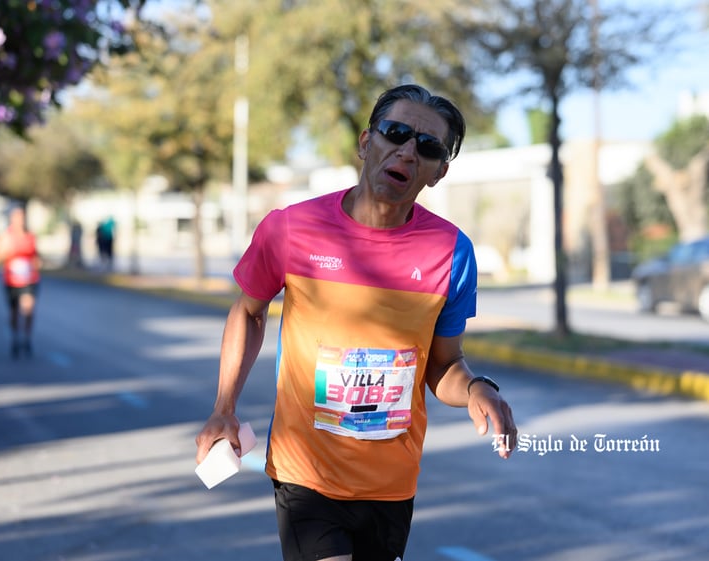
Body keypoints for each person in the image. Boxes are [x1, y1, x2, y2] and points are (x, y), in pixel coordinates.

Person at [194, 84, 517, 561]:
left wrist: (475, 389)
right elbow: (248, 310)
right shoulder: (291, 228)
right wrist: (225, 405)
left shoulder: (452, 253)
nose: (408, 151)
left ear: (438, 171)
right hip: (306, 472)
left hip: (391, 484)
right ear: (367, 143)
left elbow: (444, 364)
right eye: (396, 133)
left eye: (427, 146)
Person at [0, 206, 42, 358]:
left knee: (28, 308)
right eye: (17, 218)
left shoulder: (30, 236)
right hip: (11, 280)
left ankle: (27, 338)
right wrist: (3, 253)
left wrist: (37, 264)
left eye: (22, 218)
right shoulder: (5, 237)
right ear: (12, 220)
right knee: (14, 312)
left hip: (29, 279)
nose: (20, 221)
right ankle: (15, 337)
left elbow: (36, 256)